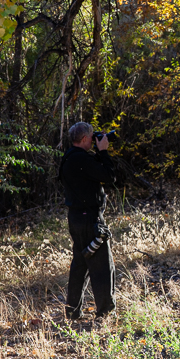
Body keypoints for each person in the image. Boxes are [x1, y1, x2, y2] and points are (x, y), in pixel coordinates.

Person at [59, 122, 116, 320]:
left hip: (76, 218)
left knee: (81, 264)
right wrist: (104, 152)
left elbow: (94, 173)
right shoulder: (81, 159)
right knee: (102, 266)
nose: (94, 140)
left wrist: (99, 153)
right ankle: (105, 313)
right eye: (92, 137)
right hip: (89, 220)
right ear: (84, 139)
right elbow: (108, 175)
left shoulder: (69, 157)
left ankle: (72, 311)